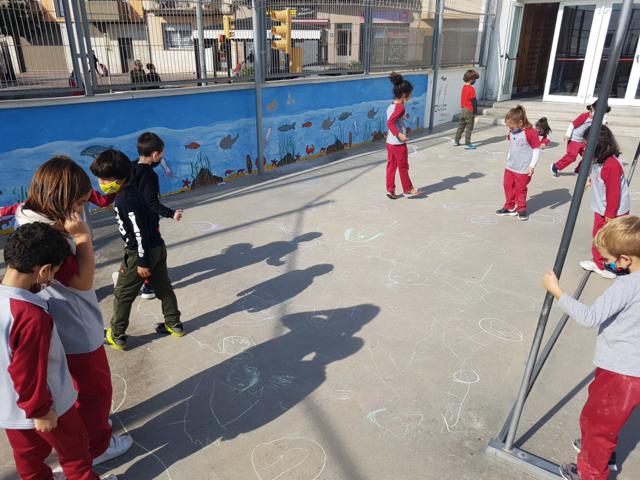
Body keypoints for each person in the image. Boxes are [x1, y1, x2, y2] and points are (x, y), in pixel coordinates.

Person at [14, 157, 132, 464]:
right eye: (79, 203)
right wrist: (82, 237)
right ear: (59, 199)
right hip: (73, 323)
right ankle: (98, 447)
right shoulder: (49, 235)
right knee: (95, 389)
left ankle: (90, 432)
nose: (81, 210)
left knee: (76, 388)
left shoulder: (25, 213)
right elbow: (82, 282)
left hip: (56, 319)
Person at [0, 222, 116, 480]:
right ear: (44, 270)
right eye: (53, 273)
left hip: (9, 410)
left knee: (29, 462)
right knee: (75, 455)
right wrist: (40, 411)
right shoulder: (30, 316)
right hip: (49, 406)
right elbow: (26, 370)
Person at [542, 216, 640, 480]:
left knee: (597, 424)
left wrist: (557, 292)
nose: (607, 265)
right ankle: (602, 452)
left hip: (620, 372)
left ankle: (591, 473)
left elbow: (589, 317)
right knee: (605, 419)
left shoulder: (627, 286)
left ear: (625, 260)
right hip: (631, 371)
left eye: (609, 260)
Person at [90, 149, 184, 351]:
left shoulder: (125, 200)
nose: (101, 183)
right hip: (157, 246)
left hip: (139, 253)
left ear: (118, 179)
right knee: (164, 288)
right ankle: (174, 323)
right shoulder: (131, 191)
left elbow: (139, 232)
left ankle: (117, 334)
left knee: (122, 294)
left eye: (105, 179)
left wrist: (142, 261)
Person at [130, 132, 183, 300]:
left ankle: (131, 278)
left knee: (138, 249)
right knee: (153, 252)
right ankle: (148, 286)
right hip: (147, 221)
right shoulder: (150, 176)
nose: (161, 158)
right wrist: (172, 213)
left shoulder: (131, 167)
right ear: (154, 155)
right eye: (161, 155)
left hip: (130, 218)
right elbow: (152, 203)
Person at [579, 125, 630, 279]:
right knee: (598, 235)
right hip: (601, 207)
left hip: (613, 211)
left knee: (613, 239)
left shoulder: (611, 165)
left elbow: (613, 193)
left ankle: (615, 266)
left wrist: (610, 214)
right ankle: (599, 262)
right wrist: (589, 180)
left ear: (598, 146)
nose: (585, 148)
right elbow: (597, 175)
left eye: (587, 145)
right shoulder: (598, 160)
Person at [495, 105, 541, 221]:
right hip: (510, 166)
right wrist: (508, 157)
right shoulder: (512, 131)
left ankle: (521, 209)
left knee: (520, 189)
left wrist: (532, 166)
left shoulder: (530, 132)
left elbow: (536, 149)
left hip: (523, 168)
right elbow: (512, 145)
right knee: (507, 185)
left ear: (520, 122)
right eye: (508, 126)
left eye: (511, 126)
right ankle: (509, 207)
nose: (510, 128)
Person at [551, 100, 611, 176]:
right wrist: (567, 135)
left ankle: (579, 170)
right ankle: (555, 166)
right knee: (572, 156)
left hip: (584, 141)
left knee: (588, 156)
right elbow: (572, 125)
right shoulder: (584, 116)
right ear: (592, 108)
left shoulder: (599, 119)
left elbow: (602, 127)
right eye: (597, 111)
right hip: (574, 139)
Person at [386, 72, 419, 199]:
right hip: (398, 144)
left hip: (390, 142)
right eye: (410, 94)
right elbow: (390, 122)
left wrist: (404, 129)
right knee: (403, 166)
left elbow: (394, 121)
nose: (411, 96)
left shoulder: (391, 105)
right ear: (405, 94)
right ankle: (408, 189)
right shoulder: (400, 108)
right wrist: (399, 134)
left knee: (391, 166)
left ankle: (390, 190)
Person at [453, 69, 480, 150]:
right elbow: (474, 101)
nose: (475, 81)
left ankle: (456, 141)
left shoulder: (464, 87)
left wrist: (463, 106)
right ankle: (467, 144)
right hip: (469, 110)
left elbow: (463, 98)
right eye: (475, 79)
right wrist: (475, 111)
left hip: (463, 109)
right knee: (469, 128)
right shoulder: (471, 89)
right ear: (471, 79)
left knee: (461, 126)